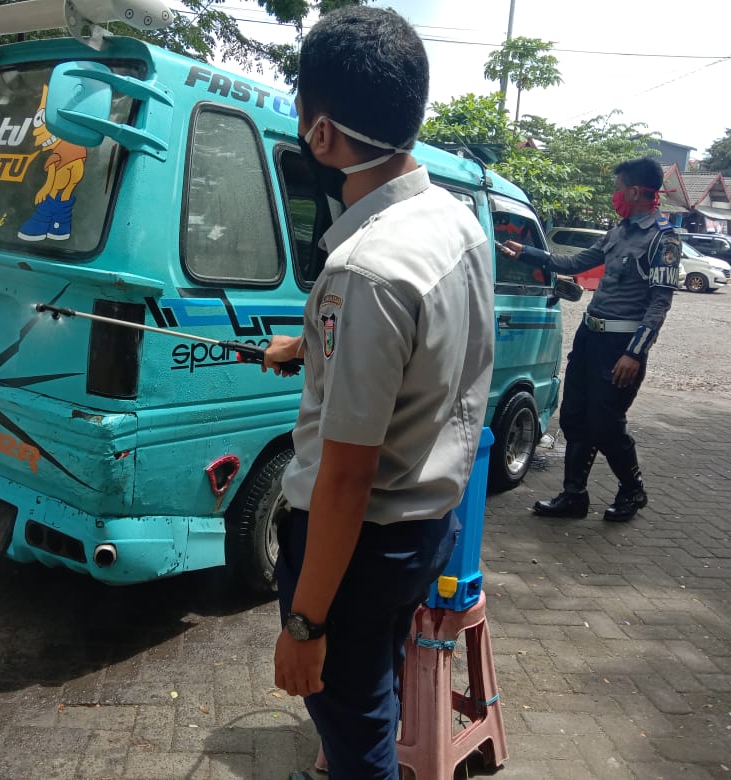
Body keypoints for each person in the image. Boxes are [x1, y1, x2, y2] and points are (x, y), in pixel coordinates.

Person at [261, 7, 495, 778]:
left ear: (321, 134)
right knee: (376, 688)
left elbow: (347, 473)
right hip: (422, 529)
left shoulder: (365, 270)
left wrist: (304, 621)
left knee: (356, 730)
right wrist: (310, 348)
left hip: (356, 545)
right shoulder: (455, 224)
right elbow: (424, 351)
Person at [499, 156, 681, 522]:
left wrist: (635, 353)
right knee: (574, 417)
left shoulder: (663, 238)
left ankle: (633, 491)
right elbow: (576, 263)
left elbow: (659, 304)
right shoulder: (619, 231)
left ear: (633, 190)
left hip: (620, 348)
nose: (614, 195)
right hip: (589, 338)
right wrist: (530, 253)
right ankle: (574, 495)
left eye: (617, 189)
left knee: (606, 423)